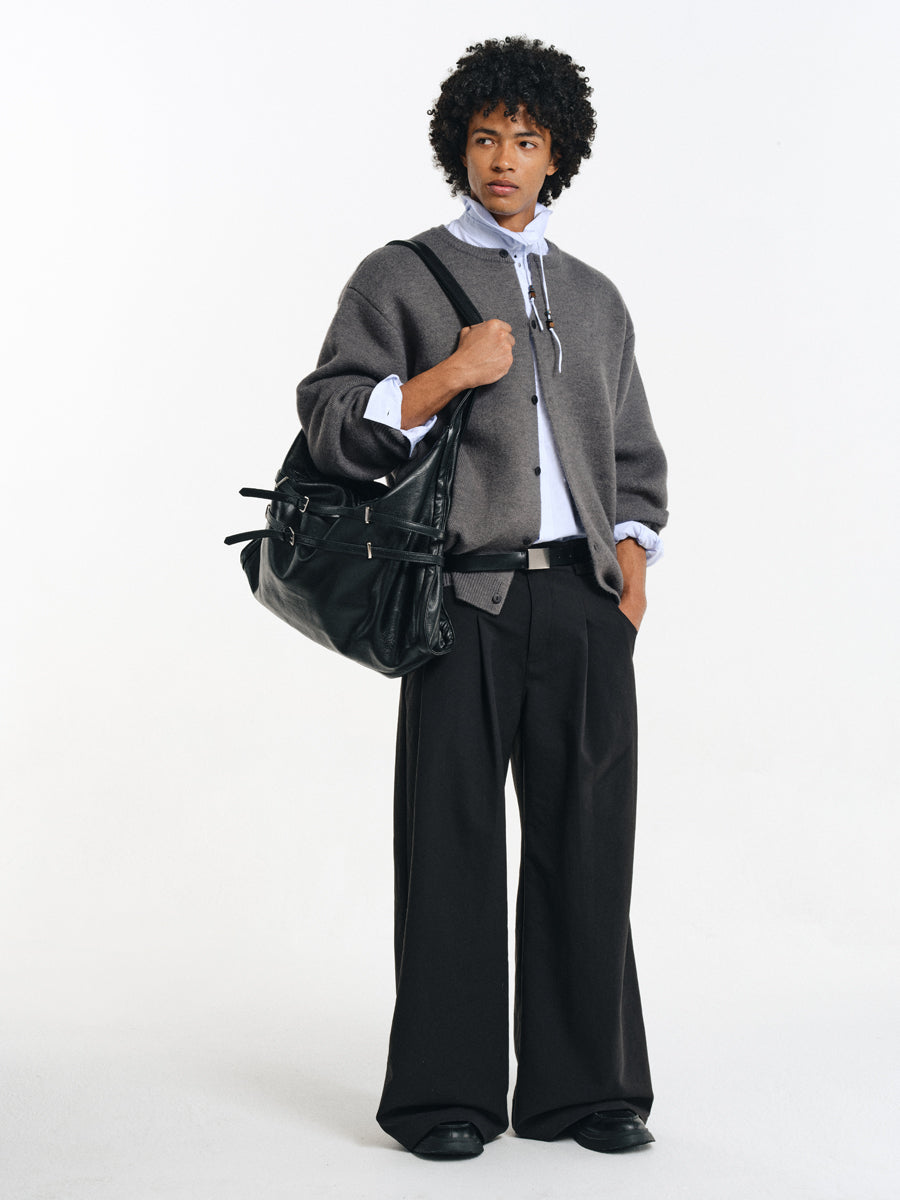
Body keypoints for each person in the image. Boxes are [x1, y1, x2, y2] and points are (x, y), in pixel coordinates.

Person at [296, 36, 668, 1159]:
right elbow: (329, 420)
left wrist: (628, 571)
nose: (504, 158)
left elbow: (633, 456)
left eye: (527, 140)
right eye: (485, 137)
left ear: (559, 155)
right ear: (458, 147)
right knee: (450, 847)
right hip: (460, 602)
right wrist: (447, 375)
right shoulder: (399, 276)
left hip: (583, 609)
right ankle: (445, 1097)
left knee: (588, 845)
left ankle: (587, 1089)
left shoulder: (595, 298)